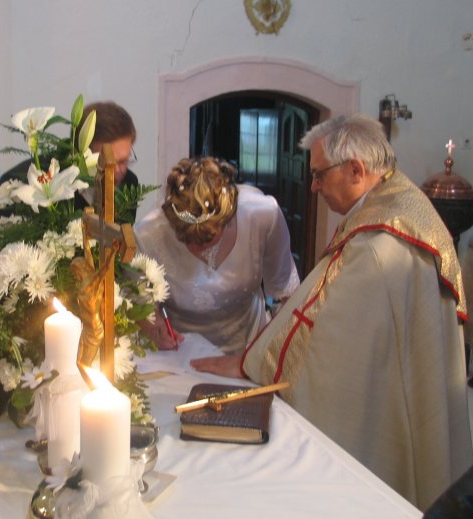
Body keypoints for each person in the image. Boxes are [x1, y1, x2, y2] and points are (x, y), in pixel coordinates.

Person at [191, 114, 473, 511]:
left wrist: (252, 363)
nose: (313, 186)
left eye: (320, 174)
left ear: (356, 170)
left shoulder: (378, 245)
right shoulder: (397, 201)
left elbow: (323, 333)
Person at [134, 156, 299, 352]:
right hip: (181, 353)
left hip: (249, 346)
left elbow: (287, 295)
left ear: (228, 220)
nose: (197, 248)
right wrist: (155, 328)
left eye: (206, 239)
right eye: (187, 239)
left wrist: (268, 352)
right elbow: (141, 306)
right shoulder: (148, 234)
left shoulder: (262, 215)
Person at [0, 100, 139, 226]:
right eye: (106, 162)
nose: (117, 171)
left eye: (124, 161)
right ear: (80, 153)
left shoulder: (128, 185)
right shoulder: (19, 183)